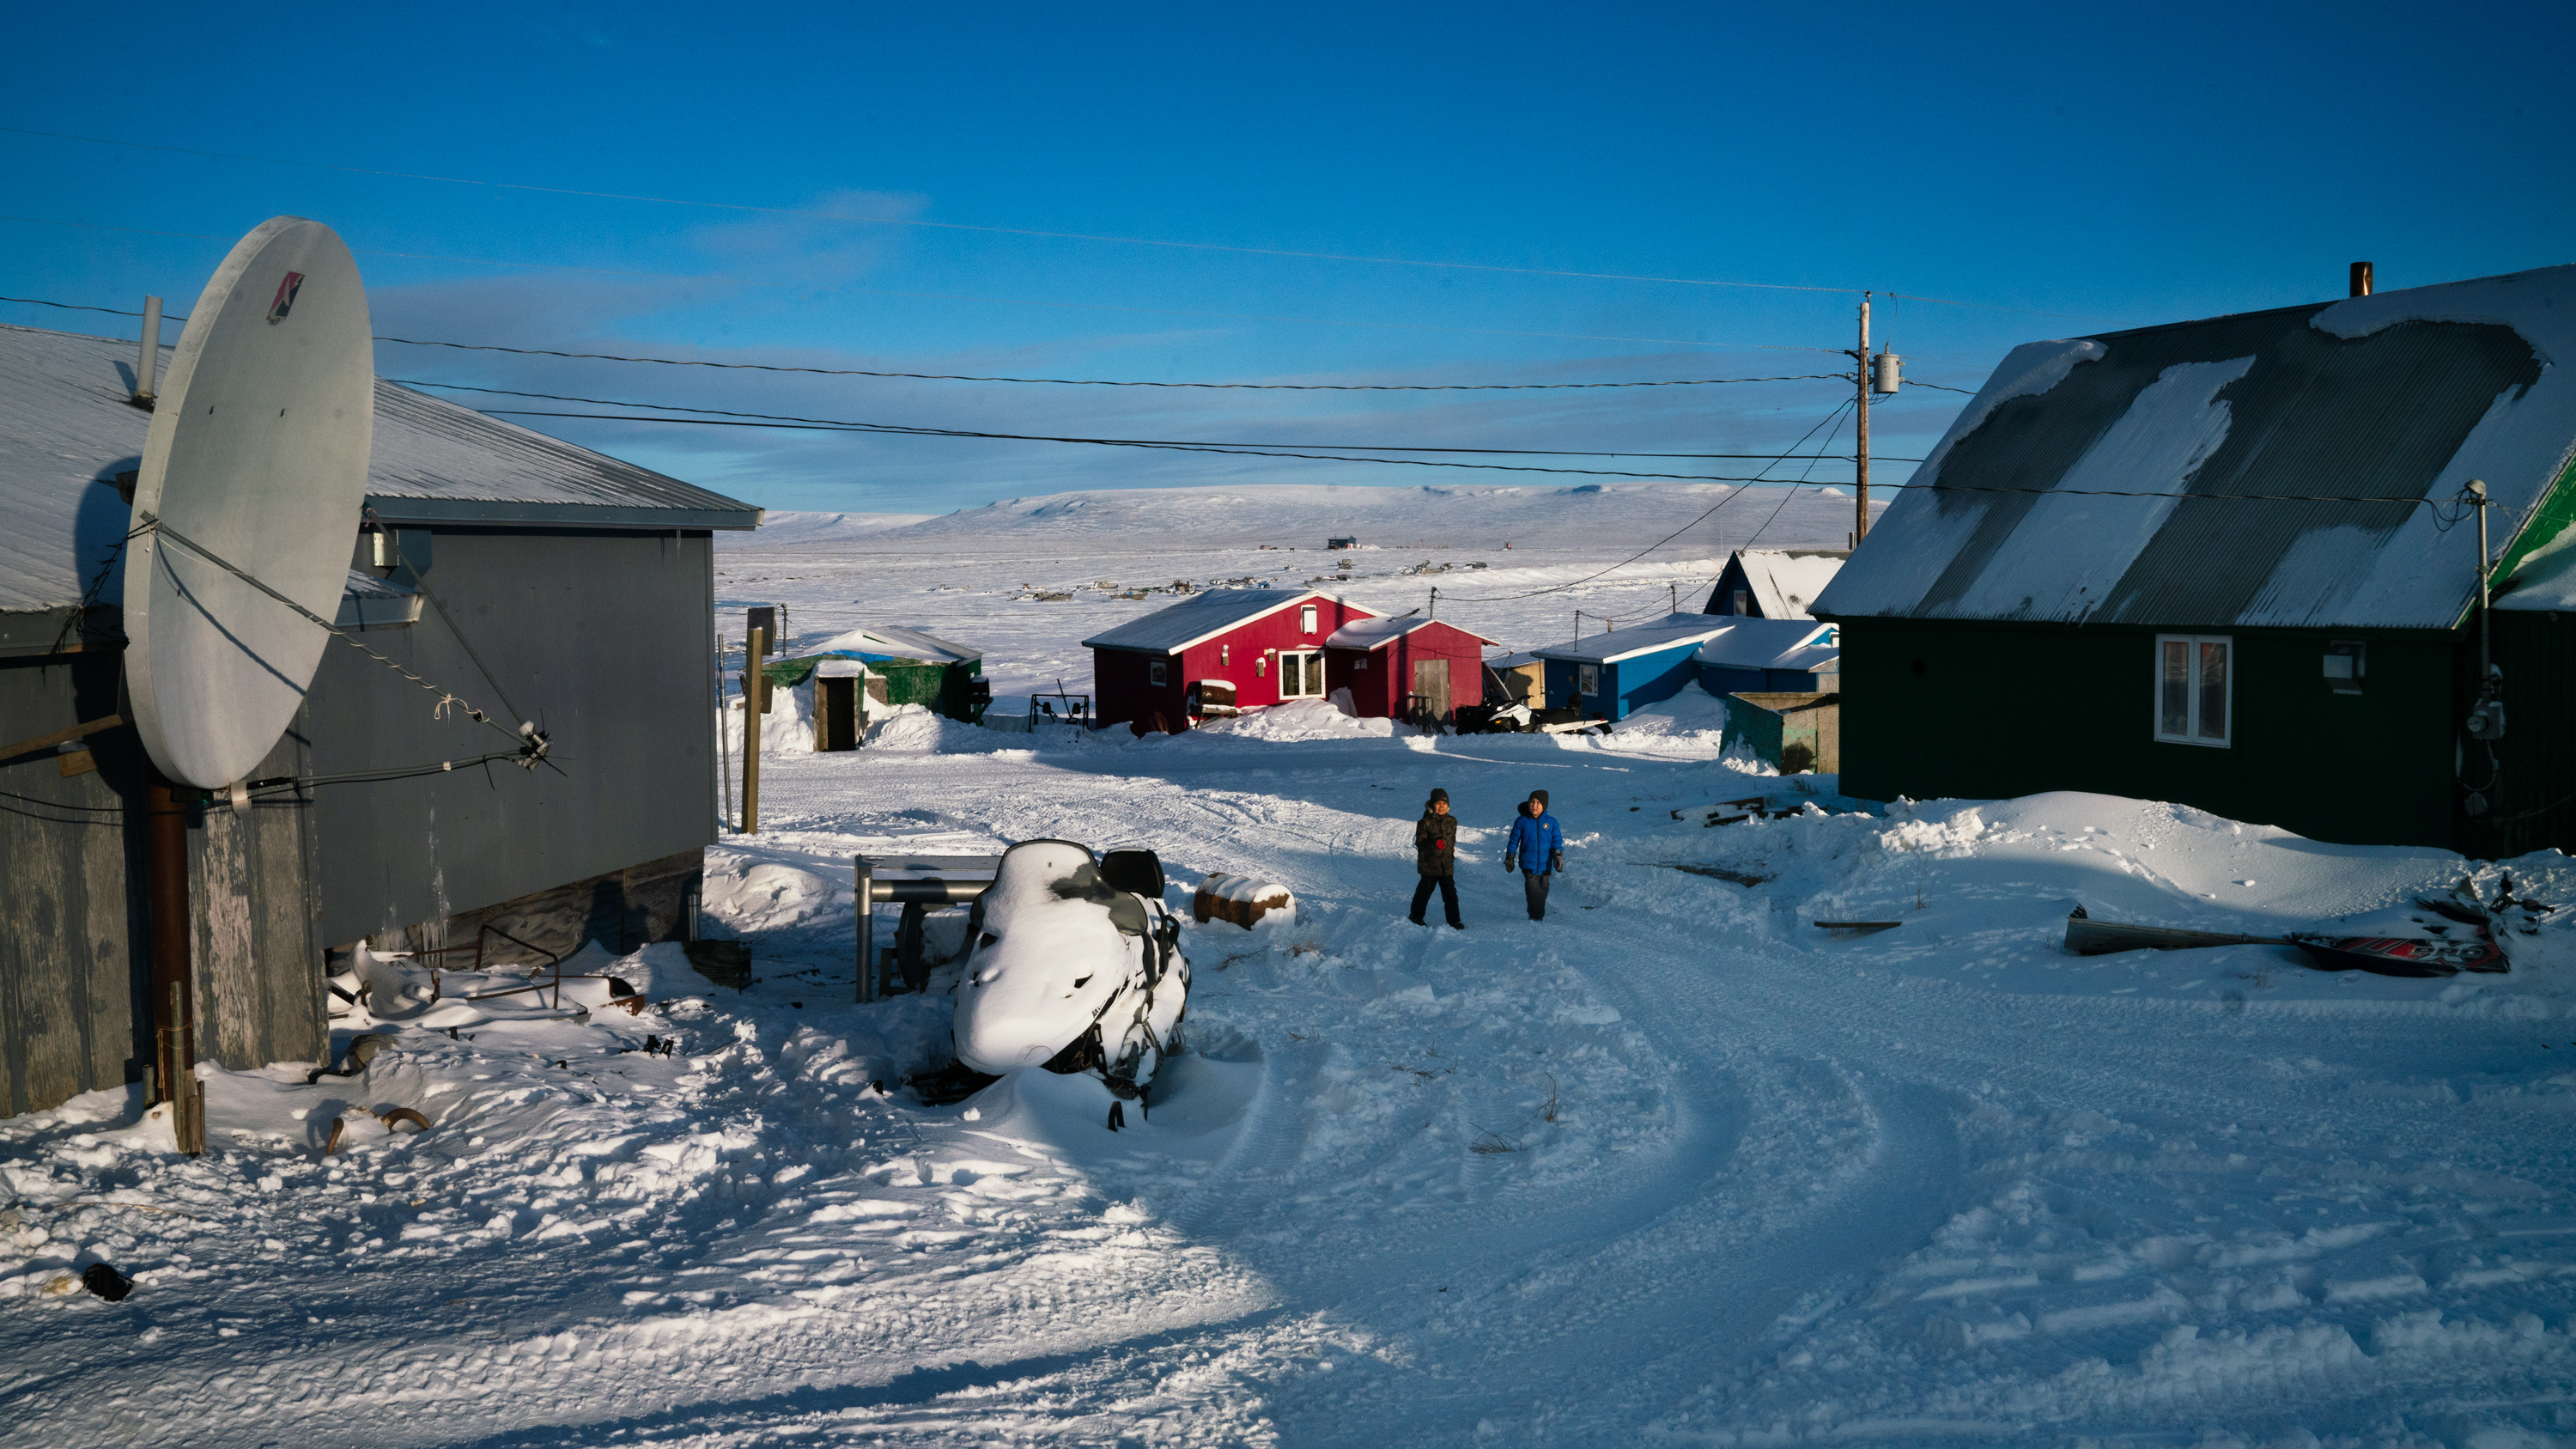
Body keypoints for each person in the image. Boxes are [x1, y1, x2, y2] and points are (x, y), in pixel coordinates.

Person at [1503, 788, 1564, 922]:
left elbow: (1556, 840)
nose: (1534, 805)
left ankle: (1537, 913)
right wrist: (1510, 857)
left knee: (1543, 889)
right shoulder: (1522, 821)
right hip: (1528, 863)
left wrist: (1558, 855)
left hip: (1545, 863)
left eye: (1538, 803)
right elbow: (1513, 841)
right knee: (1532, 890)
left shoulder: (1551, 822)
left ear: (1544, 805)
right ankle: (1535, 916)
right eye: (1532, 802)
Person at [1410, 788, 1464, 929]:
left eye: (1444, 803)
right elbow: (1419, 842)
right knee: (1424, 893)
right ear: (1432, 804)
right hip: (1429, 865)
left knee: (1450, 895)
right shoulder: (1425, 822)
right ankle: (1416, 917)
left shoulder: (1452, 821)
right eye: (1438, 803)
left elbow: (1452, 840)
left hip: (1446, 865)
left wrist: (1450, 850)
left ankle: (1454, 921)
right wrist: (1433, 843)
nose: (1441, 806)